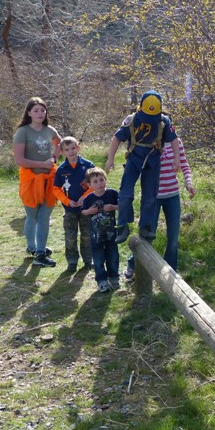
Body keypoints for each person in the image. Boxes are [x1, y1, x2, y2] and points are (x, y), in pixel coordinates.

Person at [105, 90, 181, 244]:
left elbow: (174, 140)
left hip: (153, 161)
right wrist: (110, 159)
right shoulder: (132, 120)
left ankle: (145, 226)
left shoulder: (164, 122)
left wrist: (177, 159)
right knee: (125, 195)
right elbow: (117, 138)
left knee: (150, 196)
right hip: (134, 159)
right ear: (140, 108)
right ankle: (123, 225)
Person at [125, 138, 195, 280]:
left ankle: (171, 271)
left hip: (172, 196)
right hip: (152, 197)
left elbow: (184, 165)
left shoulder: (176, 142)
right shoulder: (146, 141)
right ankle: (134, 265)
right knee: (148, 233)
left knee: (173, 237)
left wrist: (189, 183)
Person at [13, 97, 61, 267]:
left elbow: (59, 143)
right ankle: (32, 247)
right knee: (32, 216)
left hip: (50, 179)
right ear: (29, 113)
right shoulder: (23, 132)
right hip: (30, 180)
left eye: (43, 110)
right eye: (36, 110)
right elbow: (20, 160)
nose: (40, 113)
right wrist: (43, 164)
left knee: (44, 216)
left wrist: (54, 157)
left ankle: (40, 253)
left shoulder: (50, 130)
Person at [53, 136, 95, 274]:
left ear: (78, 148)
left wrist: (85, 197)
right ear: (62, 152)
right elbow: (56, 189)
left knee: (87, 234)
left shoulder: (88, 166)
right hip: (70, 209)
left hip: (86, 208)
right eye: (67, 150)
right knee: (70, 236)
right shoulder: (61, 170)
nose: (71, 152)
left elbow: (95, 184)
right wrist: (67, 201)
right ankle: (72, 262)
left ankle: (88, 260)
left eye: (73, 148)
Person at [80, 167, 121, 293]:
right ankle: (101, 280)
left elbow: (122, 206)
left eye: (101, 180)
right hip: (96, 236)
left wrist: (113, 207)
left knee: (113, 256)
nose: (99, 184)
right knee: (98, 259)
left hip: (111, 234)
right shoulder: (88, 199)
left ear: (105, 180)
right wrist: (90, 211)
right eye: (95, 181)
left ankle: (114, 278)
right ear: (89, 185)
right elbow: (83, 211)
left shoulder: (112, 194)